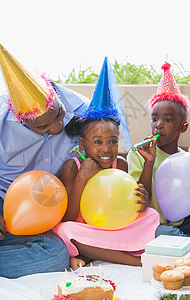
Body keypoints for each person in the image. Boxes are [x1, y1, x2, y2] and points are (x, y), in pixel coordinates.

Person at [0, 35, 89, 278]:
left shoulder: (83, 109)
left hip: (44, 210)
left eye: (59, 115)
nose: (57, 128)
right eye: (43, 128)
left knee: (56, 255)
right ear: (19, 119)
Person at [53, 57, 160, 270]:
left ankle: (99, 252)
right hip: (86, 230)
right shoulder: (72, 167)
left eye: (112, 141)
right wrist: (83, 177)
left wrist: (148, 166)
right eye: (98, 142)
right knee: (63, 230)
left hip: (114, 228)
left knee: (152, 215)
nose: (106, 149)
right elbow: (68, 216)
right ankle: (133, 260)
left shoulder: (119, 165)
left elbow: (136, 207)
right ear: (82, 144)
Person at [127, 62, 190, 237]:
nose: (159, 125)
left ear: (183, 127)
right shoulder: (138, 154)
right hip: (152, 225)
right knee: (164, 233)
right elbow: (138, 201)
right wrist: (149, 162)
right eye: (154, 119)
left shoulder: (185, 160)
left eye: (168, 120)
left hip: (183, 221)